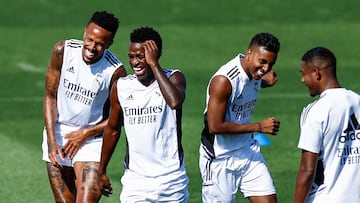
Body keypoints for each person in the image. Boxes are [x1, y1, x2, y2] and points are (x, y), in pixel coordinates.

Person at [41, 11, 126, 203]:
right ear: (84, 33)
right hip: (59, 135)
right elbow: (50, 95)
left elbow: (118, 118)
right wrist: (52, 140)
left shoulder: (115, 72)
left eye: (100, 44)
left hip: (92, 141)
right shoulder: (63, 51)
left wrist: (85, 134)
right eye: (89, 39)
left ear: (109, 44)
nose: (92, 47)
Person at [98, 26, 189, 202]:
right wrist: (101, 170)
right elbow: (113, 129)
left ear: (155, 56)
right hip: (136, 182)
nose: (135, 62)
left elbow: (175, 102)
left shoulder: (174, 78)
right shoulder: (122, 87)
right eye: (131, 57)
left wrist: (154, 64)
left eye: (141, 57)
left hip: (172, 180)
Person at [200, 32, 281, 203]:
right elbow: (215, 126)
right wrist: (259, 127)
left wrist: (263, 80)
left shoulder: (255, 73)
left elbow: (251, 81)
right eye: (263, 62)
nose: (266, 68)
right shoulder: (224, 81)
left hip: (248, 151)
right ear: (249, 54)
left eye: (271, 64)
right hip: (220, 159)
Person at [294, 47, 360, 202]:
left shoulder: (315, 111)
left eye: (304, 74)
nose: (302, 80)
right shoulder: (358, 101)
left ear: (316, 73)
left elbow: (307, 170)